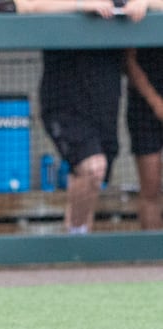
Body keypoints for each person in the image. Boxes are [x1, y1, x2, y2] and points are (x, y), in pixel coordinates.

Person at [15, 0, 148, 233]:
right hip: (64, 98)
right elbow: (29, 6)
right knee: (92, 166)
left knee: (92, 175)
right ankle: (76, 237)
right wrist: (80, 4)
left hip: (105, 100)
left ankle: (77, 235)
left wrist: (144, 2)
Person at [124, 0, 163, 229]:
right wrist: (156, 103)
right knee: (150, 188)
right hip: (144, 107)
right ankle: (153, 248)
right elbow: (128, 60)